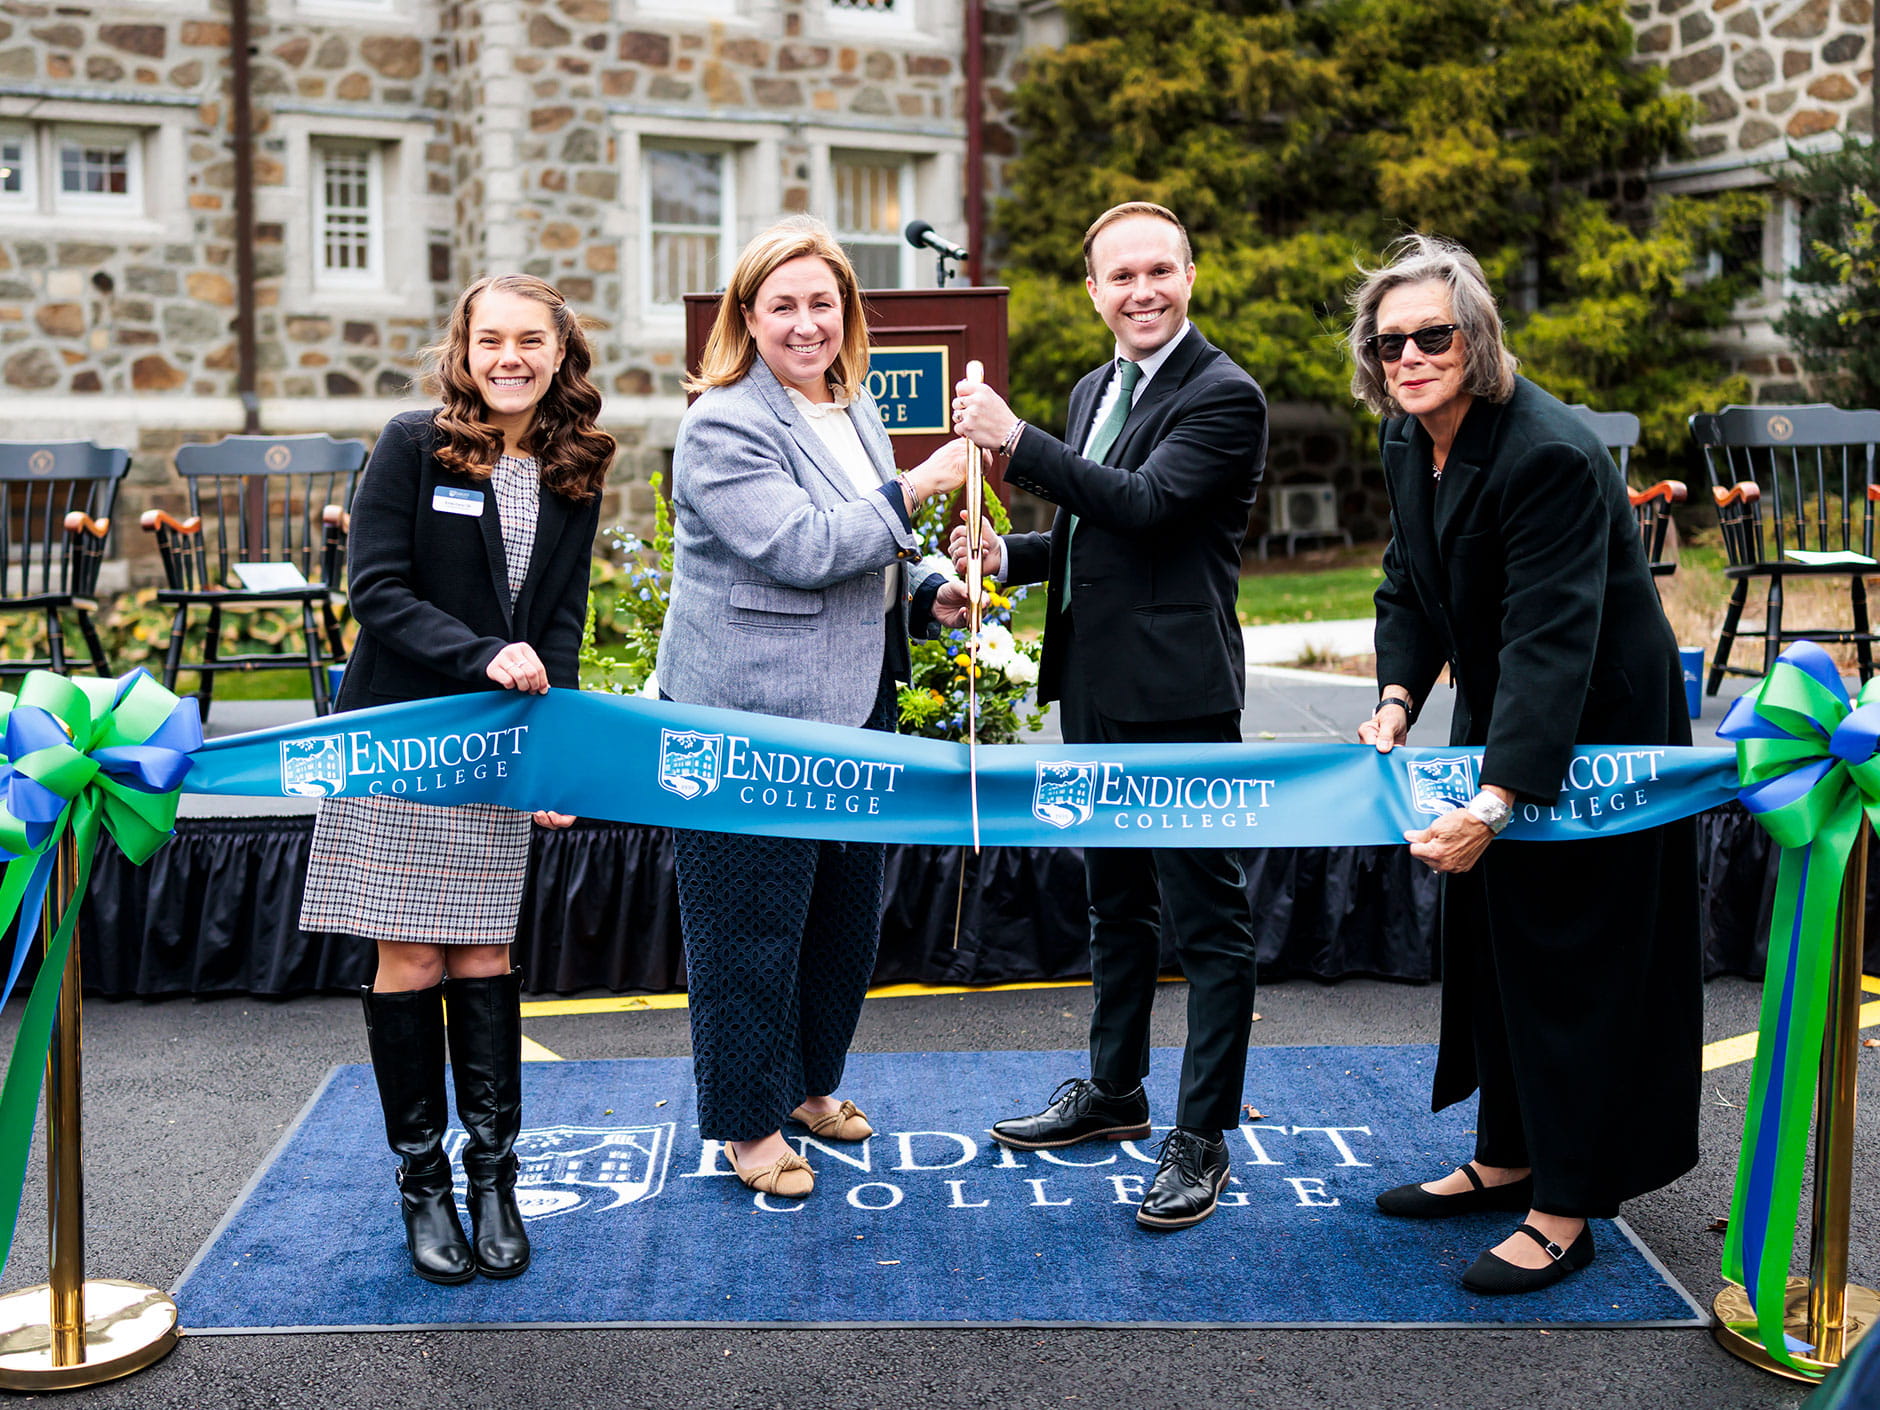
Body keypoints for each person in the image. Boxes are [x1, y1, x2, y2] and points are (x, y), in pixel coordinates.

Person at [1350, 234, 1700, 1294]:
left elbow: (1555, 636)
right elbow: (1407, 582)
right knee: (1497, 944)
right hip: (1504, 711)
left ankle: (1565, 1206)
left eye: (1431, 335)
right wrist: (1396, 695)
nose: (1409, 354)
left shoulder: (1544, 450)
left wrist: (1498, 797)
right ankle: (1504, 1160)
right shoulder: (1407, 437)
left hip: (1593, 728)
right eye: (1389, 339)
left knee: (1569, 958)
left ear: (1475, 336)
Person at [948, 201, 1265, 1231]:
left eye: (1158, 271)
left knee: (1208, 924)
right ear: (1092, 291)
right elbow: (1091, 532)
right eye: (1119, 276)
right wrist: (1010, 556)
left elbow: (1148, 507)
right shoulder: (1096, 385)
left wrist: (1018, 441)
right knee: (1114, 903)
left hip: (1177, 701)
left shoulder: (1224, 395)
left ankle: (1201, 1137)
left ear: (1188, 276)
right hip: (1090, 691)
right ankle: (1115, 1091)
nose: (1140, 291)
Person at [299, 273, 614, 1283]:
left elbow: (559, 621)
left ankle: (493, 1180)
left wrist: (552, 752)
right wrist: (482, 653)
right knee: (414, 964)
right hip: (401, 736)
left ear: (561, 352)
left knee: (482, 958)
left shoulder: (576, 466)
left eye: (530, 340)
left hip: (498, 744)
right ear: (463, 349)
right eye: (491, 340)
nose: (509, 357)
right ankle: (421, 1186)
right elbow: (374, 593)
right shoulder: (411, 442)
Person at [656, 215, 971, 1200]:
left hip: (851, 708)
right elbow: (799, 547)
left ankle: (806, 1086)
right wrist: (921, 488)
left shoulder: (853, 406)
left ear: (846, 314)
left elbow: (867, 542)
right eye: (781, 305)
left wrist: (928, 590)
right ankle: (747, 1126)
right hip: (744, 719)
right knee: (748, 926)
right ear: (746, 318)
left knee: (841, 917)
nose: (803, 324)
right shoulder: (722, 421)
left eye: (820, 304)